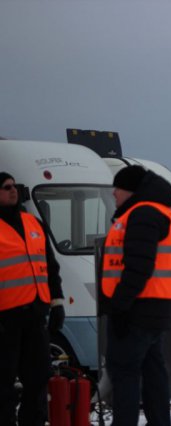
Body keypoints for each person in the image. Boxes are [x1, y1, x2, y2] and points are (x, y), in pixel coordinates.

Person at [101, 165, 171, 426]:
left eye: (118, 188)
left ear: (131, 190)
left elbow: (139, 266)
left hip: (137, 310)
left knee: (124, 374)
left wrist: (120, 306)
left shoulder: (143, 214)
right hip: (154, 310)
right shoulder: (157, 212)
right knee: (152, 373)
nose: (113, 193)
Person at [0, 171, 65, 426]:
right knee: (3, 383)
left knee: (38, 378)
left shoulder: (32, 223)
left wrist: (57, 303)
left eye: (14, 186)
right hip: (6, 320)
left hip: (35, 316)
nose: (13, 190)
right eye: (6, 187)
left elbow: (50, 266)